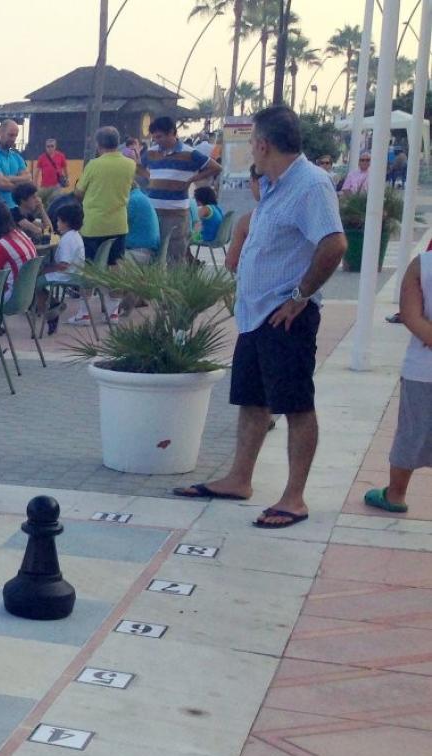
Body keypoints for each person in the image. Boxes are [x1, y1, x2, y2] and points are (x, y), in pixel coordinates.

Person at [171, 106, 345, 531]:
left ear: (264, 144)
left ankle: (294, 497)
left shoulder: (309, 185)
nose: (252, 150)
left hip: (285, 315)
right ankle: (239, 478)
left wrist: (301, 295)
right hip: (257, 315)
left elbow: (334, 245)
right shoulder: (274, 185)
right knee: (253, 400)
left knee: (295, 403)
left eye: (252, 143)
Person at [364, 251, 432, 513]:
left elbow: (410, 316)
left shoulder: (422, 265)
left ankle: (395, 495)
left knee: (412, 431)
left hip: (423, 369)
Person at [141, 116, 220, 266]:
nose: (157, 140)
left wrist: (192, 179)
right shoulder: (151, 152)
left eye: (160, 137)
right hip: (153, 212)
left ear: (172, 132)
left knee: (175, 256)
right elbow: (138, 166)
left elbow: (215, 167)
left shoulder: (190, 153)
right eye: (154, 137)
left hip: (176, 214)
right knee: (153, 255)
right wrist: (150, 177)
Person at [73, 126, 133, 266]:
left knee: (91, 268)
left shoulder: (93, 165)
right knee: (115, 269)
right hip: (118, 224)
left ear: (98, 144)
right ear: (117, 143)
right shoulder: (130, 164)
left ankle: (90, 290)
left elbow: (79, 192)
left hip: (94, 224)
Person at [41, 204, 87, 331]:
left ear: (66, 222)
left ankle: (52, 309)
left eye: (59, 220)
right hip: (74, 272)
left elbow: (63, 265)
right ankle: (53, 305)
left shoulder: (67, 239)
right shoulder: (75, 235)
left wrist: (44, 269)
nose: (57, 223)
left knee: (33, 283)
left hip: (66, 275)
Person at [0, 120, 36, 209]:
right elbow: (0, 183)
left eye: (15, 136)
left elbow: (28, 178)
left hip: (15, 210)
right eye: (10, 135)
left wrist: (8, 178)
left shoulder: (16, 156)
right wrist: (20, 186)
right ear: (0, 133)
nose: (13, 139)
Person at [123, 183, 161, 266]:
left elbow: (117, 227)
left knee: (108, 259)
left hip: (139, 253)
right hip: (149, 252)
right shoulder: (141, 197)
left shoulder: (132, 200)